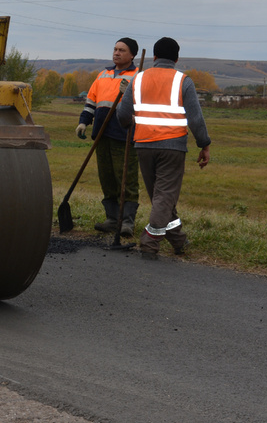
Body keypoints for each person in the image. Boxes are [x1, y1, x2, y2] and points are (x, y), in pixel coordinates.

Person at [117, 37, 211, 260]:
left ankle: (178, 239)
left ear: (155, 57)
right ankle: (150, 241)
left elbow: (123, 114)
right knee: (164, 197)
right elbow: (196, 119)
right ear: (176, 59)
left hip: (143, 145)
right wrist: (204, 144)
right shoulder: (183, 81)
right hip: (172, 147)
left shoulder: (138, 79)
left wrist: (129, 124)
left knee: (160, 197)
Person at [75, 38, 141, 236]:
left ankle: (127, 222)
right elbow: (91, 102)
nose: (117, 53)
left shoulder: (138, 77)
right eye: (115, 49)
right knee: (107, 178)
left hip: (125, 135)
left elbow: (143, 105)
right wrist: (84, 122)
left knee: (126, 178)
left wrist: (129, 95)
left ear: (132, 55)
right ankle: (112, 219)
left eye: (122, 50)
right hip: (102, 133)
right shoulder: (102, 75)